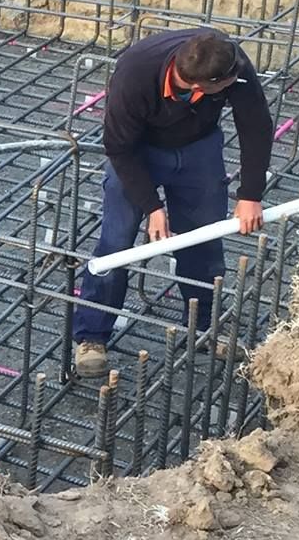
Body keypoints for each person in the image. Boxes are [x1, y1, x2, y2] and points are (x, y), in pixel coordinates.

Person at [72, 26, 271, 379]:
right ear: (200, 86)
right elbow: (119, 147)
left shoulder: (229, 60)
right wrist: (152, 207)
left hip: (198, 149)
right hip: (138, 152)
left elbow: (255, 124)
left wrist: (250, 194)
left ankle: (205, 327)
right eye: (224, 87)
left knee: (202, 242)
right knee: (116, 243)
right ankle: (91, 337)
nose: (236, 84)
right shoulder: (136, 73)